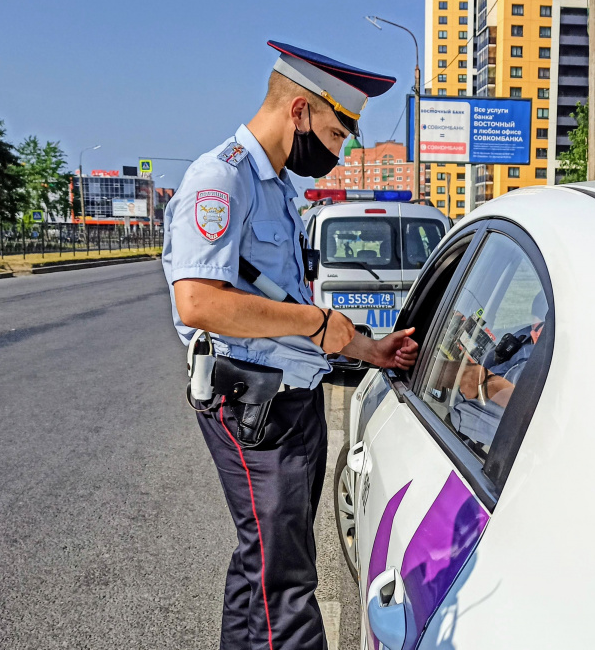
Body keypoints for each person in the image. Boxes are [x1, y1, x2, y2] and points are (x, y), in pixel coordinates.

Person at [162, 41, 420, 650]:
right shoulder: (222, 178)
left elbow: (292, 306)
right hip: (255, 408)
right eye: (335, 135)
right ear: (299, 111)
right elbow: (197, 301)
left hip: (290, 401)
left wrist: (372, 351)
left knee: (264, 567)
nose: (337, 153)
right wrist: (310, 324)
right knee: (286, 585)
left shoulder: (275, 186)